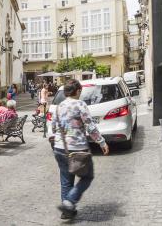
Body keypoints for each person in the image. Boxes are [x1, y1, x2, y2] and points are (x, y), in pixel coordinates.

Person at [50, 78, 109, 220]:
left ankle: (67, 211)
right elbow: (90, 126)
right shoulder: (80, 105)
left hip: (59, 147)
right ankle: (69, 202)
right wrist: (101, 142)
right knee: (87, 176)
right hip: (77, 149)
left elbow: (53, 127)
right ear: (78, 91)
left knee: (66, 180)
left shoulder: (58, 106)